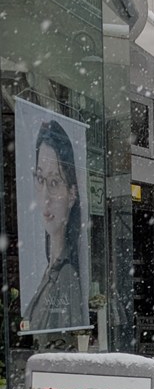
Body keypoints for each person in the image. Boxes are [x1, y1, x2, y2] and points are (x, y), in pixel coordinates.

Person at [24, 119, 85, 333]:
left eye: (55, 182)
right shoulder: (51, 271)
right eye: (40, 179)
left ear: (72, 194)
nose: (46, 197)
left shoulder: (66, 275)